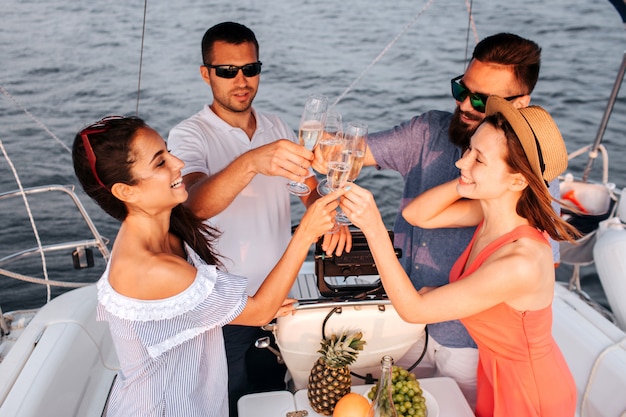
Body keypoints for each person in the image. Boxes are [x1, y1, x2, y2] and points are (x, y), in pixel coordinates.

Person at [314, 32, 554, 406]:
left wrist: (373, 224)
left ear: (519, 104)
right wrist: (319, 160)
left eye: (481, 99)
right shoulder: (434, 136)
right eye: (462, 88)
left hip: (479, 355)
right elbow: (411, 209)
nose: (464, 104)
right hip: (411, 325)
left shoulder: (517, 201)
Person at [72, 116, 341, 417]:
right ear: (125, 192)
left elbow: (184, 311)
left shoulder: (164, 229)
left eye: (168, 152)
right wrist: (306, 232)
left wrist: (240, 306)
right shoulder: (153, 267)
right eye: (160, 162)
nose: (178, 163)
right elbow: (261, 310)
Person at [339, 96, 578, 417]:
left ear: (518, 180)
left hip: (528, 389)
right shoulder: (491, 213)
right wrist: (468, 179)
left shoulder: (520, 261)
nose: (460, 162)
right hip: (495, 374)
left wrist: (373, 229)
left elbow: (414, 309)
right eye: (469, 150)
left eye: (480, 159)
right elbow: (417, 214)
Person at [167, 21, 351, 414]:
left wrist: (328, 214)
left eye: (250, 69)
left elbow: (305, 186)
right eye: (227, 70)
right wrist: (252, 161)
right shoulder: (189, 135)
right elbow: (193, 205)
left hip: (279, 299)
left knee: (272, 398)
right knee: (228, 402)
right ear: (206, 74)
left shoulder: (276, 127)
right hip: (223, 309)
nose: (241, 80)